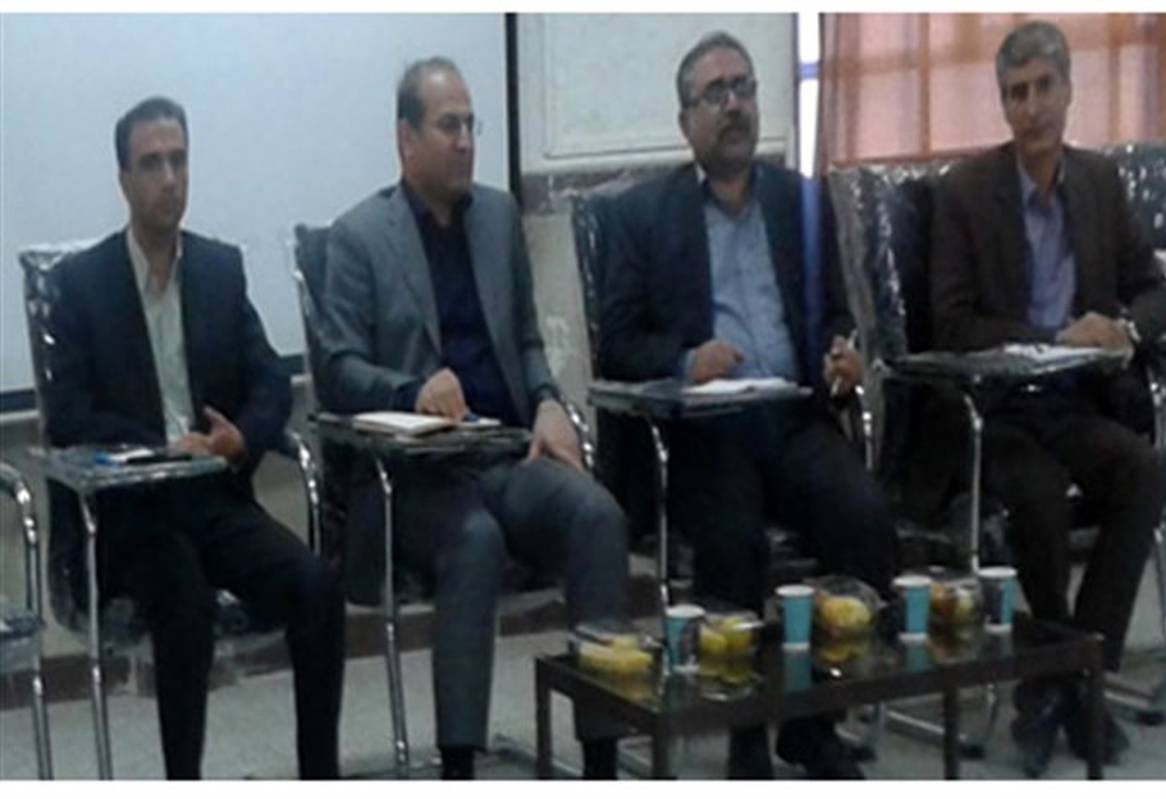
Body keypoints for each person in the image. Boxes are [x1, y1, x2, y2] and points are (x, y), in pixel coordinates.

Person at [320, 57, 630, 780]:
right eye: (447, 126)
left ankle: (602, 756)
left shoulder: (497, 217)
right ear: (406, 139)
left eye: (470, 125)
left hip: (504, 453)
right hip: (410, 479)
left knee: (598, 516)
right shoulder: (359, 236)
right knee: (476, 541)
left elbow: (526, 339)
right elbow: (336, 369)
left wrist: (548, 400)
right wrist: (410, 391)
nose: (464, 141)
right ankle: (459, 766)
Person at [600, 31, 897, 779]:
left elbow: (832, 312)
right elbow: (618, 343)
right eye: (715, 94)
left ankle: (811, 720)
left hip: (793, 418)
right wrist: (684, 361)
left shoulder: (799, 202)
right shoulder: (640, 216)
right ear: (686, 122)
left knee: (866, 517)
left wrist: (839, 350)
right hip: (707, 432)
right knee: (733, 539)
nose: (734, 105)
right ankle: (742, 735)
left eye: (744, 87)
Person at [43, 96, 345, 779]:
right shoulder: (82, 285)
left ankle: (320, 777)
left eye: (179, 161)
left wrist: (240, 439)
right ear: (124, 180)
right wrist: (162, 445)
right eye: (152, 164)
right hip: (132, 514)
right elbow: (68, 413)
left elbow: (270, 381)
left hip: (214, 495)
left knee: (316, 585)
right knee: (184, 597)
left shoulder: (218, 269)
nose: (169, 178)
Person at [930, 20, 1166, 778]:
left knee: (1144, 475)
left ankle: (1062, 684)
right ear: (1003, 104)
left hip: (1076, 402)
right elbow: (951, 323)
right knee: (1034, 497)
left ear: (1069, 92)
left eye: (1042, 89)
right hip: (996, 410)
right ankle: (1074, 689)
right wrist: (1051, 336)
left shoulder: (1098, 183)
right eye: (1015, 93)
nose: (1030, 108)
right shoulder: (965, 193)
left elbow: (1157, 289)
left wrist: (1125, 330)